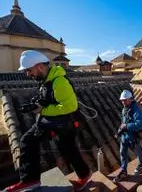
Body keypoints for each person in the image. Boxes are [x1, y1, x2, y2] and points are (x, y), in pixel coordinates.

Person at [3, 50, 91, 192]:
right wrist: (36, 104)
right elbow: (48, 98)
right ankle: (84, 175)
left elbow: (70, 106)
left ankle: (31, 181)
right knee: (64, 147)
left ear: (39, 66)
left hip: (63, 122)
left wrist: (42, 111)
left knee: (32, 142)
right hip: (54, 121)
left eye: (29, 70)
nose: (28, 74)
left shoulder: (59, 81)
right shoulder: (47, 79)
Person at [113, 90, 142, 182]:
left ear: (130, 99)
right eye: (122, 100)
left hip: (133, 136)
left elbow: (140, 124)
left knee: (137, 151)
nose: (123, 102)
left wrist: (126, 126)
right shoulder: (125, 108)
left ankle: (141, 164)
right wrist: (119, 131)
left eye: (125, 100)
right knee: (122, 153)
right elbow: (124, 122)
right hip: (124, 136)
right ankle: (123, 171)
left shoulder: (136, 109)